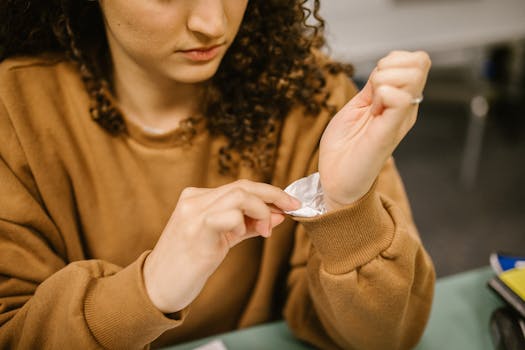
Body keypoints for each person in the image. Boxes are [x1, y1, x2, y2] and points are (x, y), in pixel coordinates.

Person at [0, 0, 435, 349]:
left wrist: (347, 209)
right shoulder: (14, 110)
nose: (212, 22)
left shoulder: (312, 96)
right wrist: (147, 290)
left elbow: (388, 339)